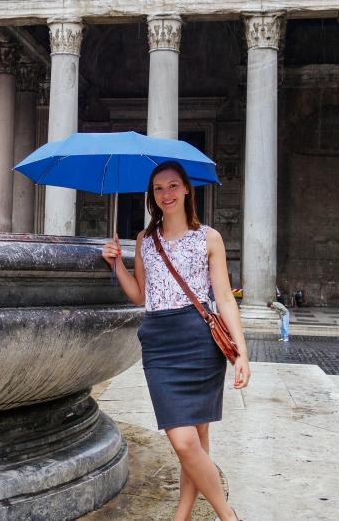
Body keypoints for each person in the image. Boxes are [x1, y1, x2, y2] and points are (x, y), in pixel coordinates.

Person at [103, 160, 249, 521]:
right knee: (186, 443)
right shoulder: (144, 240)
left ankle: (181, 517)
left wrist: (241, 352)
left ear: (186, 189)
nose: (165, 194)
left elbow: (225, 298)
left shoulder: (208, 237)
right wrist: (117, 265)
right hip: (159, 343)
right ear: (151, 196)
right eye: (158, 189)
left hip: (199, 340)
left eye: (172, 186)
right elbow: (140, 296)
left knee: (194, 445)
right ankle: (229, 516)